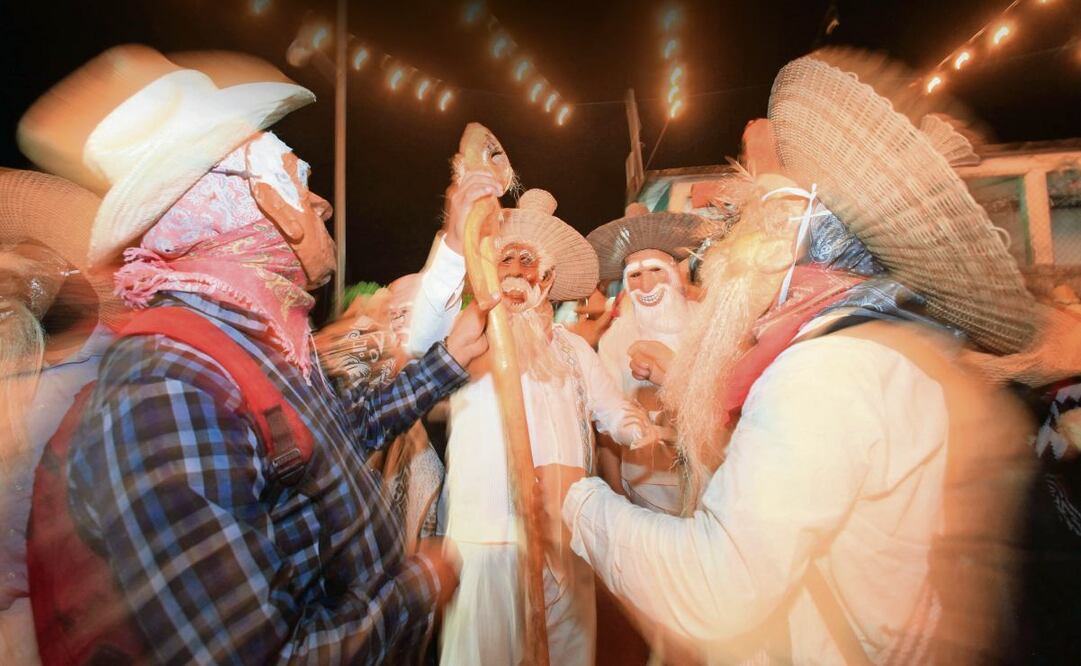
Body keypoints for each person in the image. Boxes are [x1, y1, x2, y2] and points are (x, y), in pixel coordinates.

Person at [561, 49, 1038, 663]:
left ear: (789, 236)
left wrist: (577, 502)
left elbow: (719, 588)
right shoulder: (881, 344)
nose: (726, 244)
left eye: (751, 217)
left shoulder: (823, 373)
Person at [18, 45, 490, 663]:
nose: (321, 204)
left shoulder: (248, 340)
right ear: (269, 204)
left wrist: (447, 361)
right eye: (301, 179)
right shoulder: (169, 385)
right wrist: (418, 587)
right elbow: (259, 656)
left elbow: (337, 436)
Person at [406, 185, 662, 665]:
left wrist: (641, 429)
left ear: (546, 278)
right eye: (505, 259)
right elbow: (419, 338)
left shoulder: (573, 348)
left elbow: (613, 411)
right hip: (488, 540)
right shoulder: (471, 335)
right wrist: (454, 245)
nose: (515, 271)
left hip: (566, 538)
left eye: (527, 261)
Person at [0, 168, 127, 666]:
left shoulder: (123, 368)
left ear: (73, 274)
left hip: (75, 631)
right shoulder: (10, 364)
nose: (12, 274)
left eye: (32, 263)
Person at [588, 203, 704, 515]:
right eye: (635, 275)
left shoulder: (708, 323)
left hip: (711, 488)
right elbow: (607, 425)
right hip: (645, 494)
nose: (647, 285)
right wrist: (617, 494)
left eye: (655, 270)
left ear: (674, 271)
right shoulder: (615, 339)